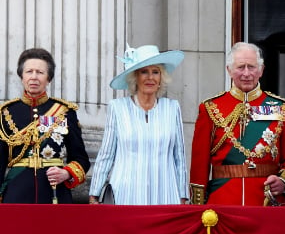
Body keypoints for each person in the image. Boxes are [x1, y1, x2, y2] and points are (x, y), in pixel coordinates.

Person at [190, 42, 285, 206]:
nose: (246, 73)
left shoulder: (280, 108)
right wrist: (198, 207)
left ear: (261, 70)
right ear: (229, 70)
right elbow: (199, 165)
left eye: (251, 67)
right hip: (222, 201)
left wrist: (283, 181)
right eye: (240, 67)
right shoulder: (210, 108)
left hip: (266, 201)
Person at [89, 45, 188, 205]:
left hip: (165, 194)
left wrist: (183, 195)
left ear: (161, 77)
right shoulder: (118, 108)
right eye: (144, 72)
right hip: (126, 194)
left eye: (155, 72)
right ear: (135, 77)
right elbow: (106, 154)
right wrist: (95, 193)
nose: (150, 77)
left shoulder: (172, 108)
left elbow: (179, 157)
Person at [0, 48, 90, 204]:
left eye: (40, 72)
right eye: (29, 71)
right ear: (22, 76)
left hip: (55, 194)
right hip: (17, 193)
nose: (34, 77)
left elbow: (81, 158)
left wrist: (66, 173)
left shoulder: (64, 112)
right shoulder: (7, 113)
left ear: (49, 78)